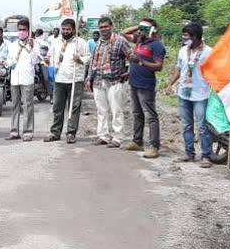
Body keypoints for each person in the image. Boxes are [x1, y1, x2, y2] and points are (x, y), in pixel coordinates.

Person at [164, 23, 213, 168]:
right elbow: (179, 69)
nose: (184, 38)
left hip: (201, 93)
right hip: (184, 92)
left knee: (202, 126)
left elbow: (214, 71)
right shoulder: (182, 51)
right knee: (186, 125)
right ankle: (189, 153)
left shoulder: (209, 52)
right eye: (183, 35)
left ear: (196, 36)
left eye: (186, 35)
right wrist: (170, 84)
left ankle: (206, 155)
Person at [121, 18, 165, 159]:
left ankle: (154, 146)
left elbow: (159, 66)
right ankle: (137, 141)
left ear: (151, 31)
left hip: (146, 85)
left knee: (150, 116)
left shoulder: (156, 46)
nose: (139, 32)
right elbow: (123, 32)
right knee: (137, 114)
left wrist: (140, 62)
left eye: (142, 30)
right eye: (139, 29)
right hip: (134, 82)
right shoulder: (139, 41)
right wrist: (140, 27)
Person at [87, 17, 131, 147]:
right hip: (98, 81)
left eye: (106, 26)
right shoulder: (98, 43)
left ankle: (118, 137)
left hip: (115, 81)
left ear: (111, 26)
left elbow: (131, 57)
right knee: (101, 110)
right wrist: (89, 78)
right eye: (101, 27)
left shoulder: (120, 41)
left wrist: (129, 72)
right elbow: (92, 62)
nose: (103, 29)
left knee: (116, 110)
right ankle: (103, 135)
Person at [45, 19, 90, 144]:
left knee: (73, 108)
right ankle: (55, 132)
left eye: (68, 29)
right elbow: (50, 57)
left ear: (73, 30)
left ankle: (71, 133)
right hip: (59, 79)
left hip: (75, 80)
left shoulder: (80, 43)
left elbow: (87, 57)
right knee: (57, 107)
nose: (65, 31)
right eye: (63, 29)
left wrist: (79, 59)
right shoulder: (56, 42)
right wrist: (47, 61)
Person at [5, 18, 38, 141]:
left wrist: (32, 48)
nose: (21, 32)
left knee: (28, 105)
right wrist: (7, 63)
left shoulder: (34, 44)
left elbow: (36, 60)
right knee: (15, 105)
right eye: (20, 30)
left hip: (27, 78)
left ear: (29, 31)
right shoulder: (13, 45)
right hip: (15, 78)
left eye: (24, 30)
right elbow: (9, 60)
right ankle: (14, 131)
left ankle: (28, 132)